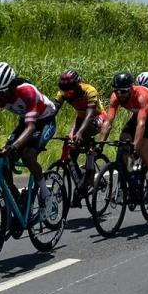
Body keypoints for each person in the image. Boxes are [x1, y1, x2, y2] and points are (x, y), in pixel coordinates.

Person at [0, 62, 60, 227]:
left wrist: (13, 147)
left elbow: (31, 128)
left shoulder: (27, 92)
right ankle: (17, 199)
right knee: (4, 160)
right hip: (26, 122)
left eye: (0, 93)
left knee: (28, 155)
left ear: (11, 87)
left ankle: (47, 195)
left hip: (45, 121)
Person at [100, 71, 148, 184]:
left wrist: (135, 148)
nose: (119, 94)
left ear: (131, 88)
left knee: (143, 149)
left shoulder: (141, 96)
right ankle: (131, 172)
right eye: (116, 90)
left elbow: (141, 124)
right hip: (138, 115)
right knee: (124, 141)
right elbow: (108, 122)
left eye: (123, 91)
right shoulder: (115, 97)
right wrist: (100, 144)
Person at [53, 69, 103, 201]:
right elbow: (52, 112)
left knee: (84, 135)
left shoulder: (90, 91)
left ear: (77, 85)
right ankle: (82, 184)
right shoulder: (63, 93)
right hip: (81, 118)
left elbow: (90, 114)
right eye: (65, 91)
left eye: (70, 91)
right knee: (71, 152)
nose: (67, 94)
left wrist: (79, 132)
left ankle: (90, 168)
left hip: (96, 117)